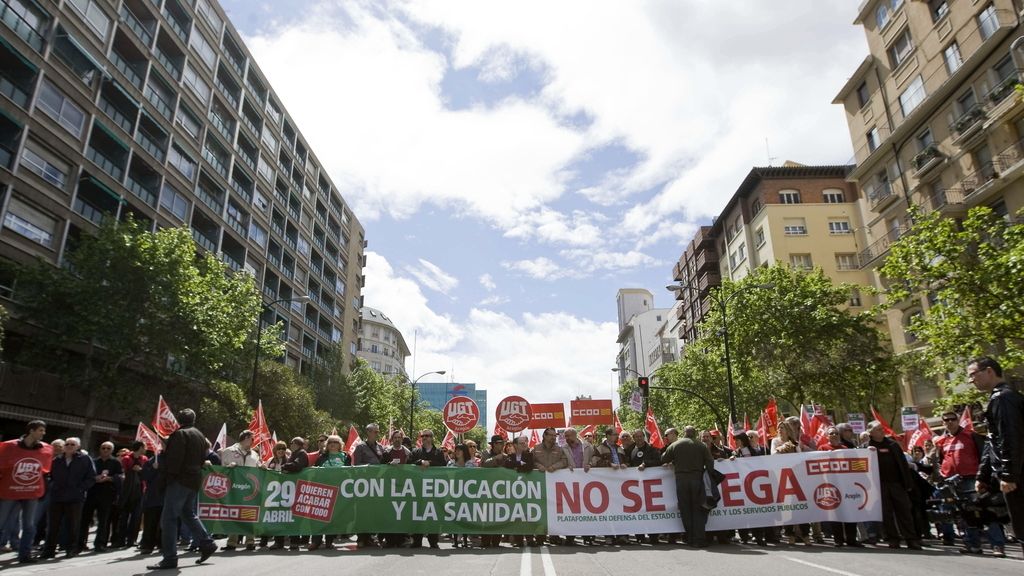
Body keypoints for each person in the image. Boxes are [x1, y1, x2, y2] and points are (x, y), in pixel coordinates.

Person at [147, 408, 217, 570]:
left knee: (169, 519)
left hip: (179, 480)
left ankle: (170, 557)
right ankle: (206, 542)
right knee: (188, 513)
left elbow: (174, 461)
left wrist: (166, 479)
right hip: (194, 480)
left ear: (178, 421)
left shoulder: (179, 435)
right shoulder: (200, 436)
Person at [971, 356, 1024, 559]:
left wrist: (1009, 475)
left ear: (989, 371)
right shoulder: (999, 398)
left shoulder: (1003, 398)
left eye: (973, 374)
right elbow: (992, 441)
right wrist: (983, 474)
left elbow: (1010, 437)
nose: (972, 380)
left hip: (1017, 477)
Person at [0, 420, 52, 564]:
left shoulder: (45, 449)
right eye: (41, 430)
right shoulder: (10, 447)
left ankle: (25, 555)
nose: (43, 433)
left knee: (29, 525)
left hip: (31, 493)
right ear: (31, 430)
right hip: (10, 491)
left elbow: (44, 472)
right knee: (1, 523)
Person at [867, 420, 921, 550]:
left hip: (897, 484)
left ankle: (911, 539)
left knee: (904, 512)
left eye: (882, 428)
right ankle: (893, 539)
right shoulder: (867, 447)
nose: (882, 431)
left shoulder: (893, 445)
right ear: (871, 433)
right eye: (878, 429)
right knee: (887, 514)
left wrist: (907, 483)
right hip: (880, 487)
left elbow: (903, 465)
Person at [43, 437, 95, 559]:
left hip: (75, 498)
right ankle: (49, 550)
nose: (69, 446)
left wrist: (81, 488)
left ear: (78, 447)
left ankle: (71, 549)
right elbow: (48, 476)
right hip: (57, 497)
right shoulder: (57, 460)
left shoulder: (85, 459)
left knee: (73, 525)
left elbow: (91, 477)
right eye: (67, 444)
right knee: (53, 525)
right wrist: (52, 485)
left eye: (73, 444)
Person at [662, 426, 714, 547]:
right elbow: (710, 463)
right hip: (697, 479)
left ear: (684, 433)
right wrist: (708, 473)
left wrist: (674, 460)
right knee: (698, 510)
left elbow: (664, 458)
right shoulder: (702, 446)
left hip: (681, 480)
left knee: (685, 510)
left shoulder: (675, 445)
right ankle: (699, 539)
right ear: (695, 433)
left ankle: (689, 538)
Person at [821, 427, 862, 548]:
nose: (834, 435)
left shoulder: (845, 449)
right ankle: (838, 539)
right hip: (831, 485)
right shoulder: (822, 449)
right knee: (836, 513)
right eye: (831, 433)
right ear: (827, 436)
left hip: (846, 485)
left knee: (850, 512)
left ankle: (851, 539)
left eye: (836, 433)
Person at [220, 431, 260, 552]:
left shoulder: (255, 454)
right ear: (246, 438)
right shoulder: (228, 451)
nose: (254, 442)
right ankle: (232, 542)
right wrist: (228, 467)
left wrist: (262, 466)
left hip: (249, 489)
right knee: (234, 513)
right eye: (252, 439)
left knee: (249, 514)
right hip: (234, 488)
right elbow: (221, 470)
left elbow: (257, 468)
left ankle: (250, 541)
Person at [80, 441, 123, 553]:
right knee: (85, 519)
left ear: (111, 450)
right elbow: (87, 475)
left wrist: (110, 478)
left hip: (107, 494)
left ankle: (100, 544)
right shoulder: (93, 461)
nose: (105, 450)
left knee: (104, 521)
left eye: (108, 448)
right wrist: (95, 478)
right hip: (92, 493)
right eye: (103, 448)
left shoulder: (115, 462)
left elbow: (120, 476)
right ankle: (80, 544)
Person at [310, 435, 347, 551]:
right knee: (318, 516)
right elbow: (315, 471)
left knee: (333, 517)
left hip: (338, 490)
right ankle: (316, 541)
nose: (332, 444)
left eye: (335, 442)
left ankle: (329, 541)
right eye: (330, 442)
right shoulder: (322, 457)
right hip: (322, 490)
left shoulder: (345, 457)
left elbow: (349, 472)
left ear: (339, 445)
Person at [352, 424, 385, 549]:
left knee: (374, 511)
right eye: (374, 431)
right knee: (362, 511)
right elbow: (357, 464)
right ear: (368, 432)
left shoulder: (381, 447)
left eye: (377, 431)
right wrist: (368, 469)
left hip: (377, 484)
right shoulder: (360, 447)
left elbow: (383, 462)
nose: (377, 433)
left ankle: (371, 537)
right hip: (364, 483)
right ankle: (361, 538)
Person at [114, 441, 147, 549]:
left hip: (139, 490)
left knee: (136, 517)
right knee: (123, 517)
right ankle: (120, 540)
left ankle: (132, 540)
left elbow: (146, 472)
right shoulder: (127, 458)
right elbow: (123, 471)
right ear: (141, 447)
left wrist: (140, 470)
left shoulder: (144, 459)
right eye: (144, 447)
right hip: (127, 491)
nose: (145, 449)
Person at [138, 452, 163, 555]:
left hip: (165, 496)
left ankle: (162, 544)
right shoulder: (151, 461)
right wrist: (153, 468)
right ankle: (147, 545)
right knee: (150, 522)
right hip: (152, 497)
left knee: (164, 524)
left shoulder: (172, 460)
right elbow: (144, 476)